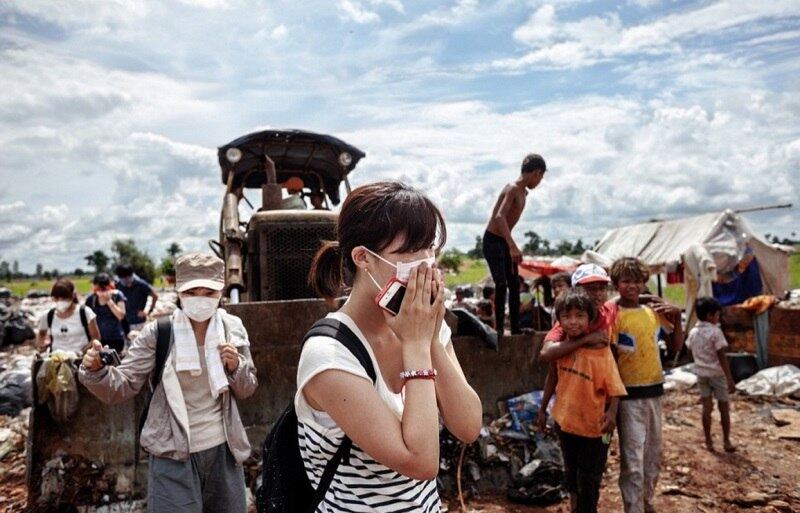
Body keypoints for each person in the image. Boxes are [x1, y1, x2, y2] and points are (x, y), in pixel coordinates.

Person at [302, 181, 482, 512]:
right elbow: (420, 462)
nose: (426, 263)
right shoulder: (330, 355)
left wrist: (429, 340)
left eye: (430, 248)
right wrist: (415, 345)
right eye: (410, 252)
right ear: (363, 258)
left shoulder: (424, 327)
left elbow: (468, 426)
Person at [79, 252, 257, 513]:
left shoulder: (232, 329)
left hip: (224, 452)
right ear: (180, 293)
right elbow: (123, 383)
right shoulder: (159, 333)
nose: (200, 299)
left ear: (220, 293)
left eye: (208, 293)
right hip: (173, 455)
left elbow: (248, 387)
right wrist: (94, 369)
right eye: (192, 292)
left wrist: (236, 367)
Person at [538, 289, 627, 513]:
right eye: (566, 317)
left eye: (579, 316)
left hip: (595, 429)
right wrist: (542, 409)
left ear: (590, 319)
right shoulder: (560, 349)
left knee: (590, 478)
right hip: (565, 422)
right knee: (571, 471)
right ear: (558, 320)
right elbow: (552, 376)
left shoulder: (600, 351)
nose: (573, 322)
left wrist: (612, 414)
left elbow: (615, 386)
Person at [609, 257, 683, 513]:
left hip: (654, 392)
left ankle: (647, 502)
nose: (632, 286)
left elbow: (675, 346)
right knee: (632, 460)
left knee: (652, 457)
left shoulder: (653, 313)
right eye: (626, 281)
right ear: (616, 283)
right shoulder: (613, 315)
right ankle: (633, 508)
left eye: (637, 281)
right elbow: (611, 358)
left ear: (644, 283)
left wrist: (678, 318)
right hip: (627, 397)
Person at [482, 154, 546, 339]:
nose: (539, 182)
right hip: (493, 240)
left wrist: (510, 244)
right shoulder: (512, 189)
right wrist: (512, 245)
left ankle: (516, 328)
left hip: (503, 241)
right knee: (501, 284)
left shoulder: (524, 193)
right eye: (540, 178)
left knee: (514, 284)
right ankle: (500, 330)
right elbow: (499, 217)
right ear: (536, 173)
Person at [686, 297, 736, 453]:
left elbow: (689, 350)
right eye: (717, 315)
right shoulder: (716, 332)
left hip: (701, 373)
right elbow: (721, 356)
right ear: (710, 315)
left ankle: (708, 441)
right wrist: (729, 378)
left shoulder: (693, 331)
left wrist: (698, 362)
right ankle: (726, 441)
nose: (718, 318)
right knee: (723, 407)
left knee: (706, 408)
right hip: (716, 374)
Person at [36, 278, 101, 355]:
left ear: (73, 296)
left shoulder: (85, 312)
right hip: (56, 359)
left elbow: (96, 338)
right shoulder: (48, 315)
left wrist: (81, 353)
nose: (60, 301)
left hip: (81, 360)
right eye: (57, 298)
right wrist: (41, 347)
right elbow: (41, 334)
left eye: (64, 298)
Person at [85, 273, 127, 353]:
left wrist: (109, 301)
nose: (101, 291)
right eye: (99, 288)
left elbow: (121, 316)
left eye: (104, 288)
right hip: (99, 339)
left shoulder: (117, 295)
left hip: (116, 338)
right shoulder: (91, 299)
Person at [115, 264, 159, 335]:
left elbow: (155, 296)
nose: (126, 281)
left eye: (128, 278)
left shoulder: (141, 284)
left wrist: (148, 311)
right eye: (124, 279)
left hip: (139, 322)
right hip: (124, 322)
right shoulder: (118, 285)